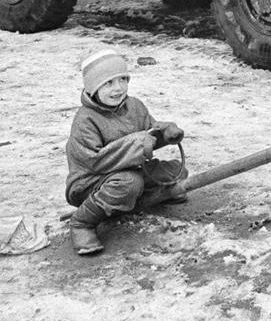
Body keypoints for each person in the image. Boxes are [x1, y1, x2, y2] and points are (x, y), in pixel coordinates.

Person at [65, 50, 188, 255]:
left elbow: (149, 132)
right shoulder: (85, 120)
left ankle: (139, 199)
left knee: (176, 172)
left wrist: (166, 133)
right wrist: (138, 143)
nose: (118, 88)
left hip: (130, 171)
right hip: (91, 181)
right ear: (92, 87)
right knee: (129, 183)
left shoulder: (134, 106)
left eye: (123, 79)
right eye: (109, 83)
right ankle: (82, 223)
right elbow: (95, 161)